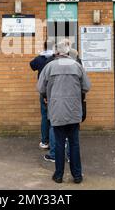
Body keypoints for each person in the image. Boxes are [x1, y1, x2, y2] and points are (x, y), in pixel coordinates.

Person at [37, 40, 91, 184]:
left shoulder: (49, 67)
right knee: (74, 143)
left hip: (56, 111)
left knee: (59, 143)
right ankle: (77, 176)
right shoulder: (77, 66)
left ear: (56, 53)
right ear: (67, 52)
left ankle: (59, 175)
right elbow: (86, 86)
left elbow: (41, 88)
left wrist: (49, 93)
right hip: (74, 112)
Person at [29, 41, 55, 149]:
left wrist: (40, 54)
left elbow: (32, 65)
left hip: (44, 91)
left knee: (45, 116)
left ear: (44, 47)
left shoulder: (39, 59)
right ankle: (56, 142)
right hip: (55, 91)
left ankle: (45, 141)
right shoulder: (55, 59)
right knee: (54, 116)